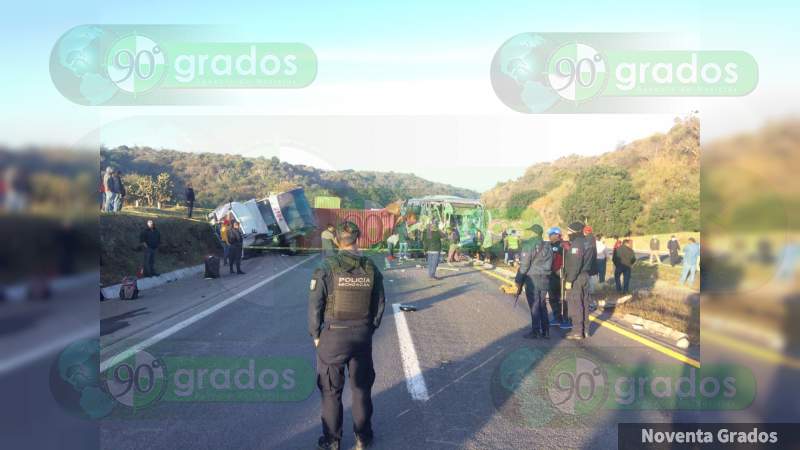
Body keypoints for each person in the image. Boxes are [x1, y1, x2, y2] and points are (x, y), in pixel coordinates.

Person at [308, 221, 385, 450]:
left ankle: (333, 441)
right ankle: (363, 437)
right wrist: (369, 329)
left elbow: (315, 305)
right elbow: (379, 303)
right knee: (361, 389)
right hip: (361, 336)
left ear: (337, 240)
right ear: (357, 240)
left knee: (331, 392)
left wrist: (315, 335)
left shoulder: (326, 267)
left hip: (333, 336)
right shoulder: (371, 267)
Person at [515, 224, 552, 339]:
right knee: (542, 304)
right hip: (545, 278)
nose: (528, 233)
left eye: (530, 231)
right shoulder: (548, 245)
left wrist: (518, 279)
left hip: (533, 279)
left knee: (535, 305)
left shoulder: (529, 245)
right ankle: (546, 331)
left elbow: (524, 266)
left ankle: (535, 331)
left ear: (534, 233)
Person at [562, 222, 594, 340]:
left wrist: (569, 280)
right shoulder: (588, 242)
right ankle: (586, 330)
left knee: (576, 304)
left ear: (575, 232)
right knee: (584, 303)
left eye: (569, 232)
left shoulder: (577, 244)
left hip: (577, 277)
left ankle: (577, 331)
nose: (568, 234)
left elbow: (576, 264)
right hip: (586, 276)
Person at [547, 227, 568, 328]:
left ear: (557, 235)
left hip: (561, 276)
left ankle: (566, 318)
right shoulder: (548, 245)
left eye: (551, 235)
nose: (549, 237)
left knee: (563, 299)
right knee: (552, 298)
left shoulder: (564, 245)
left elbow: (568, 259)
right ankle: (557, 317)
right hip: (551, 275)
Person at [583, 226, 598, 293]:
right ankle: (591, 291)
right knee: (591, 277)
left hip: (588, 261)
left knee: (588, 277)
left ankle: (589, 291)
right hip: (593, 260)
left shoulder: (586, 239)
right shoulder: (593, 238)